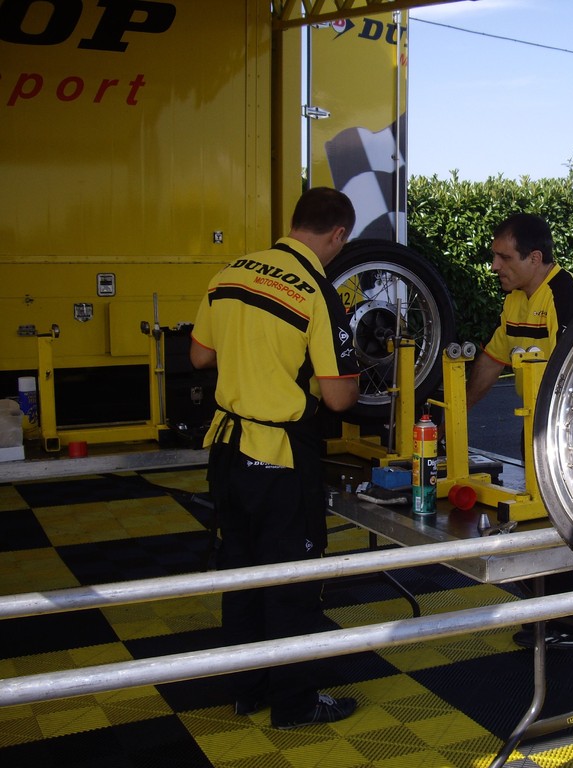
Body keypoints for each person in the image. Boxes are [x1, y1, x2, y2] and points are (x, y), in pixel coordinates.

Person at [190, 187, 361, 728]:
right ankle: (295, 705)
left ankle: (247, 690)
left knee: (239, 573)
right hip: (279, 457)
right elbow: (338, 398)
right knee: (291, 582)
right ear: (337, 235)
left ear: (293, 222)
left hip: (226, 449)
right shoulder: (317, 290)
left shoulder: (230, 273)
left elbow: (199, 356)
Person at [465, 213, 573, 650]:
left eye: (503, 257)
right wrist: (454, 412)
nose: (495, 265)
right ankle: (552, 617)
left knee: (562, 522)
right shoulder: (516, 300)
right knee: (541, 518)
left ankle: (572, 624)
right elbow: (491, 358)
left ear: (534, 257)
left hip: (570, 427)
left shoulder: (563, 292)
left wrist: (564, 440)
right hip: (537, 426)